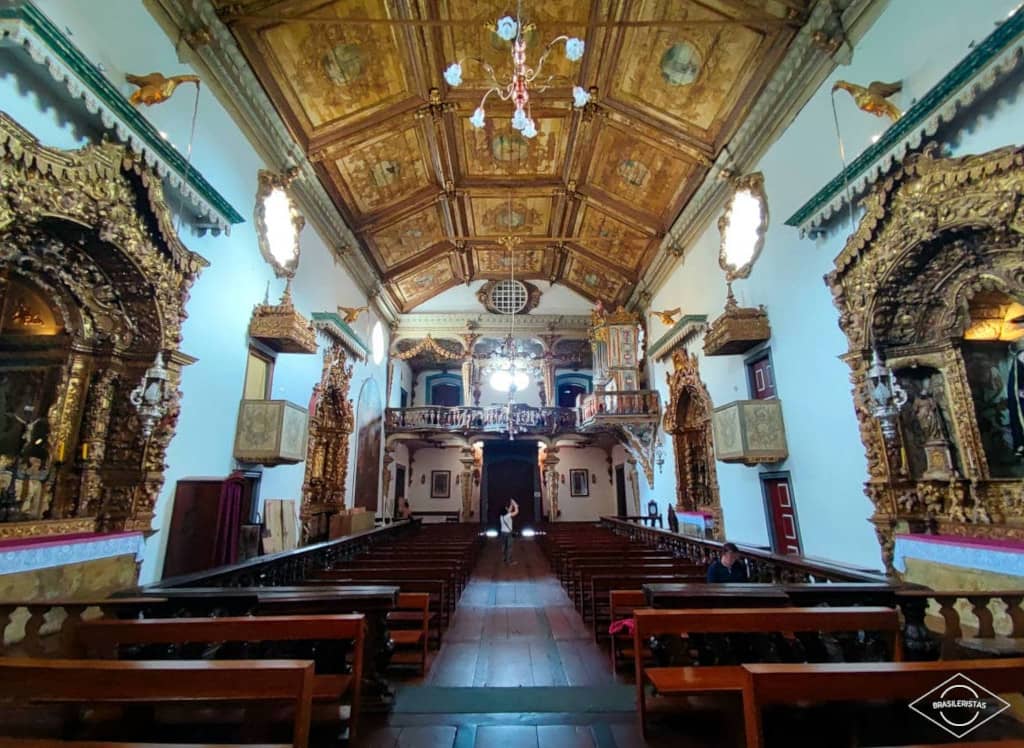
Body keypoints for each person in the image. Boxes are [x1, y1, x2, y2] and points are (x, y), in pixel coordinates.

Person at [500, 498, 519, 565]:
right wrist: (515, 505)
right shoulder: (508, 516)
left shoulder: (501, 516)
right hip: (508, 533)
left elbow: (509, 510)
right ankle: (509, 561)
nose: (508, 508)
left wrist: (511, 504)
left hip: (502, 533)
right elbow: (516, 512)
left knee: (504, 547)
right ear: (505, 510)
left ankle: (505, 559)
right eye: (506, 508)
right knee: (509, 547)